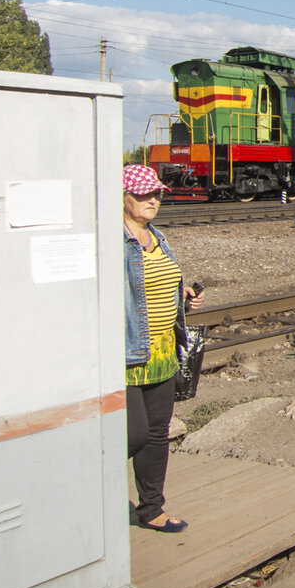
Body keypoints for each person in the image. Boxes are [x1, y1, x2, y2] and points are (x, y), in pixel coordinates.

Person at [122, 164, 204, 533]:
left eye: (155, 194)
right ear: (122, 198)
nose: (151, 200)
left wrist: (182, 298)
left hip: (163, 353)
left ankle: (151, 508)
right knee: (132, 434)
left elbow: (157, 282)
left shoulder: (158, 237)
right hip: (127, 354)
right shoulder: (111, 241)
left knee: (157, 433)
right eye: (142, 194)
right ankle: (91, 498)